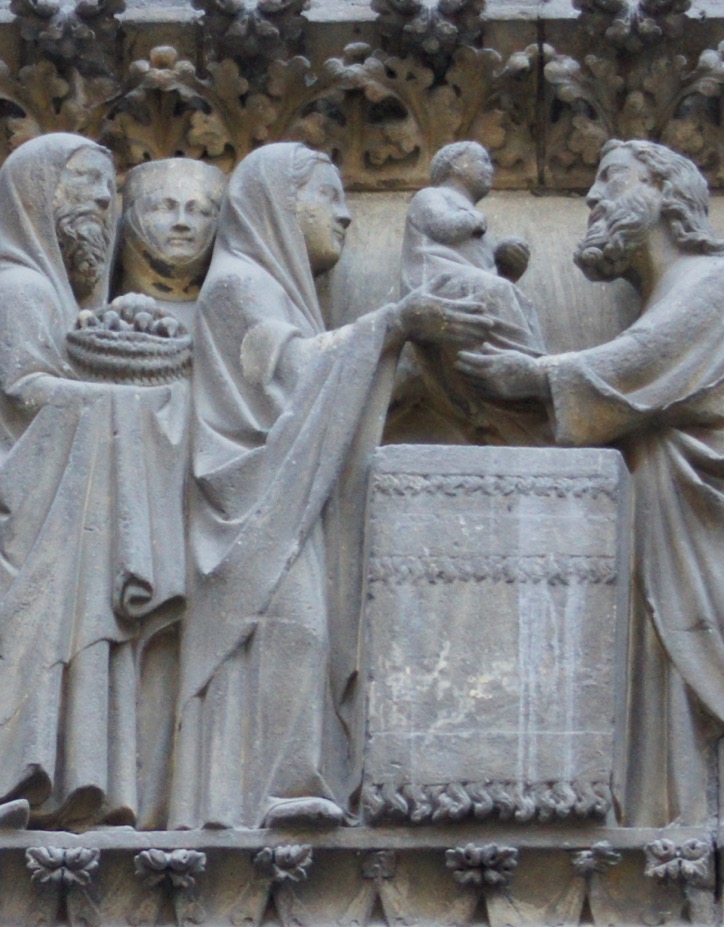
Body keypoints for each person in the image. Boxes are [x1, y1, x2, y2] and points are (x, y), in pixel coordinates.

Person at [457, 139, 724, 827]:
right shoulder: (677, 292)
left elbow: (638, 366)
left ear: (666, 195)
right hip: (688, 531)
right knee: (693, 666)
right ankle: (702, 819)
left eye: (612, 179)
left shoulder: (720, 284)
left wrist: (528, 375)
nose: (593, 197)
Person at [171, 142, 492, 830]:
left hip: (286, 498)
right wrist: (394, 322)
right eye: (329, 194)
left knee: (302, 631)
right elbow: (292, 376)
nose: (345, 213)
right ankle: (257, 793)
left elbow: (321, 386)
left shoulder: (278, 293)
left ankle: (282, 784)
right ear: (279, 205)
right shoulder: (237, 286)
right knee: (293, 627)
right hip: (251, 507)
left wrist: (414, 363)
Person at [0, 134, 188, 830]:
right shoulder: (19, 288)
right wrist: (125, 403)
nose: (106, 202)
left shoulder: (57, 299)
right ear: (37, 196)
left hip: (69, 519)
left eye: (109, 190)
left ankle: (71, 785)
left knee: (71, 646)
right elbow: (25, 393)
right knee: (23, 647)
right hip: (25, 526)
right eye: (87, 184)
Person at [111, 157, 226, 828]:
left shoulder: (232, 314)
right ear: (127, 219)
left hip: (208, 515)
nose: (183, 221)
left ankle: (190, 798)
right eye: (163, 206)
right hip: (126, 528)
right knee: (136, 658)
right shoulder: (100, 318)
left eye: (201, 210)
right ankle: (127, 795)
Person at [385, 141, 550, 446]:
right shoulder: (432, 197)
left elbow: (484, 269)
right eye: (481, 160)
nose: (490, 168)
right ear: (454, 164)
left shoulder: (472, 215)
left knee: (516, 298)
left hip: (469, 285)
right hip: (438, 283)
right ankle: (526, 378)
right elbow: (441, 227)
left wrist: (507, 263)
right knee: (499, 291)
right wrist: (472, 220)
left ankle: (529, 369)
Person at [114, 158, 227, 330]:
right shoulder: (107, 313)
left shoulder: (227, 316)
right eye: (164, 208)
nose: (181, 222)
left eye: (196, 210)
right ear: (131, 218)